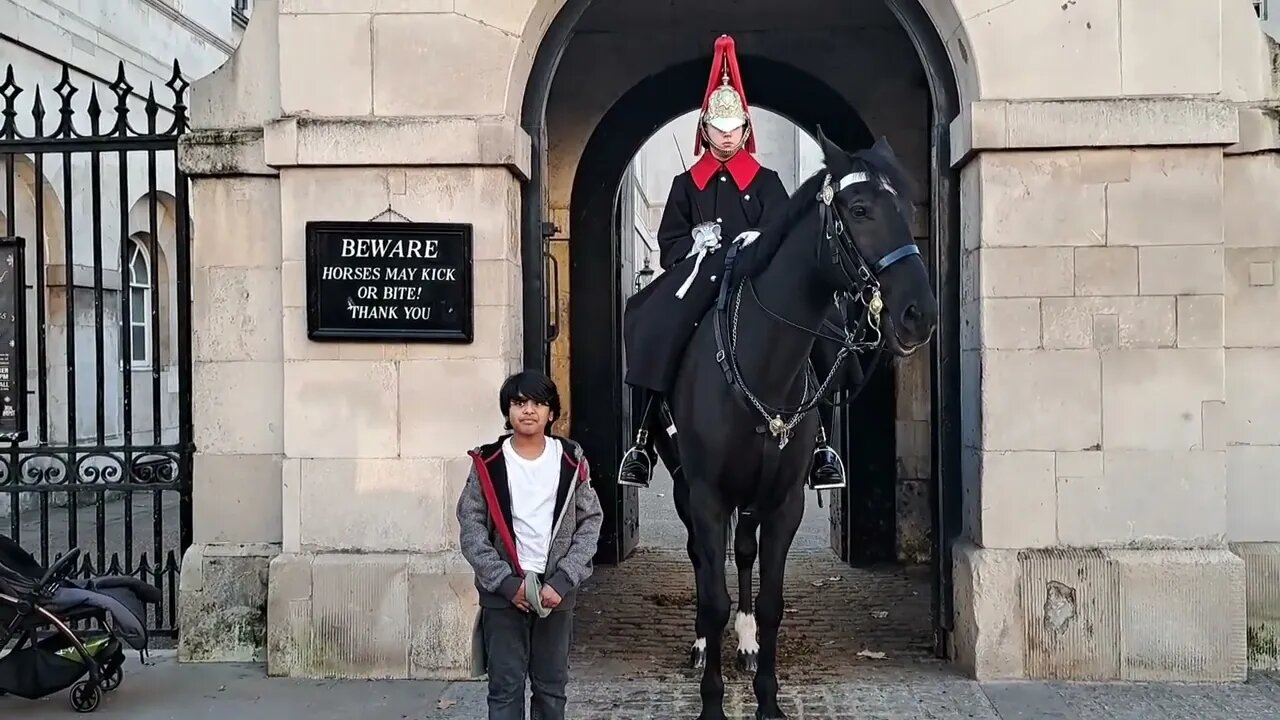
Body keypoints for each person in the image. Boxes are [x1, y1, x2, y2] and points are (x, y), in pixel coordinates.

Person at [618, 33, 848, 492]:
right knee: (654, 320)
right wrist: (695, 245)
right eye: (718, 129)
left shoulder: (767, 181)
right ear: (705, 130)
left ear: (745, 130)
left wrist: (755, 240)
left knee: (821, 326)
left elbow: (783, 234)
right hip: (702, 275)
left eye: (733, 128)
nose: (726, 137)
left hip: (759, 275)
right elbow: (669, 243)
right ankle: (642, 438)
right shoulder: (686, 184)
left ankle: (822, 441)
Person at [457, 370, 603, 720]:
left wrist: (564, 580)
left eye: (539, 403)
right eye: (519, 403)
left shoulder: (570, 460)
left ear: (551, 413)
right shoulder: (488, 463)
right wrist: (506, 583)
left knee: (551, 689)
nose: (528, 410)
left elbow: (590, 521)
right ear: (507, 412)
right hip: (503, 592)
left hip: (556, 591)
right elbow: (472, 528)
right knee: (505, 689)